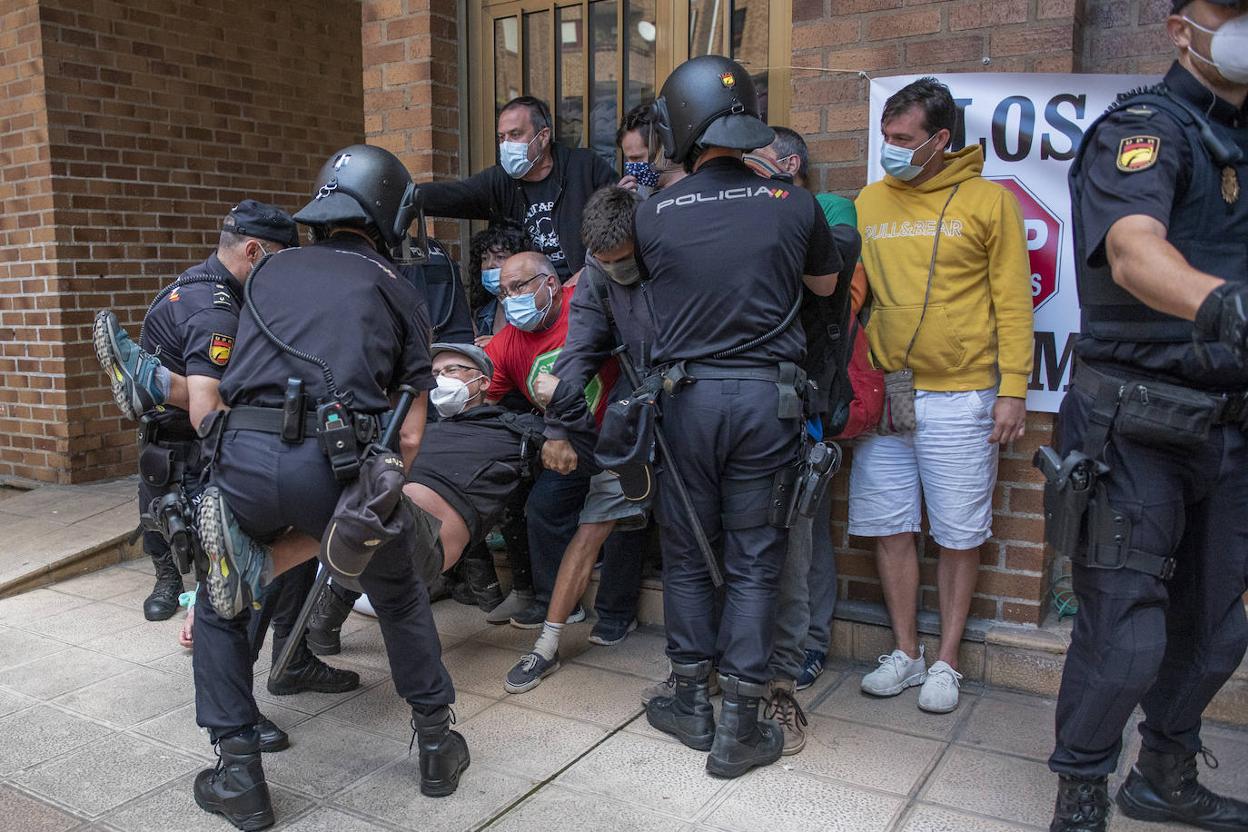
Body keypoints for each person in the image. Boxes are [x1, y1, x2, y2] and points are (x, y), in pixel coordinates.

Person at [188, 145, 468, 829]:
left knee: (225, 599)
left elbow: (231, 378)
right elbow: (407, 437)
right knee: (399, 592)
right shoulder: (399, 285)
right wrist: (375, 503)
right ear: (393, 213)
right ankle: (436, 744)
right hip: (340, 466)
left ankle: (239, 775)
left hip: (245, 454)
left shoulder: (269, 269)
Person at [1046, 3, 1248, 830]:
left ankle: (1163, 773)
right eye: (1228, 10)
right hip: (1132, 426)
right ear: (1179, 29)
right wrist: (1224, 306)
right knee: (1125, 637)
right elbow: (1134, 248)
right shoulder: (1143, 128)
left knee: (1215, 631)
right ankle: (1083, 793)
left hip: (1229, 424)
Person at [637, 55, 848, 780]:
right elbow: (824, 284)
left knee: (692, 553)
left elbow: (643, 289)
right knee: (757, 557)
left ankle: (690, 701)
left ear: (681, 125)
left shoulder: (653, 212)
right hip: (769, 400)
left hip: (686, 401)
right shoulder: (792, 202)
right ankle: (743, 726)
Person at [92, 203, 358, 711]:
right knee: (237, 586)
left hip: (174, 453)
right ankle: (238, 715)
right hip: (196, 454)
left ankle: (293, 662)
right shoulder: (217, 308)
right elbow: (206, 409)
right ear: (255, 251)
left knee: (286, 560)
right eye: (280, 260)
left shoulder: (195, 282)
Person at [850, 77, 1033, 714]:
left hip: (962, 395)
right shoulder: (870, 201)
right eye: (885, 137)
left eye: (902, 140)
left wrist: (1014, 390)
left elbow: (1014, 303)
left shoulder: (989, 202)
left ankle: (947, 661)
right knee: (891, 524)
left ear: (939, 141)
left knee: (958, 533)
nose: (889, 150)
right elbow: (856, 295)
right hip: (892, 392)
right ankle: (906, 652)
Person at [501, 186, 653, 695]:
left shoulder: (673, 253)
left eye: (626, 259)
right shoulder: (594, 278)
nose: (618, 269)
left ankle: (707, 666)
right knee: (592, 527)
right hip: (627, 421)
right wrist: (559, 427)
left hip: (695, 407)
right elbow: (580, 349)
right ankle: (546, 644)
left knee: (700, 534)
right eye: (606, 261)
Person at [743, 126, 860, 754]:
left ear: (788, 163)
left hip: (807, 395)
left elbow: (832, 269)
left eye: (757, 162)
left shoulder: (829, 207)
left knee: (803, 532)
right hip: (754, 399)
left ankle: (810, 646)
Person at [481, 251, 624, 629]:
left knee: (627, 522)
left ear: (550, 284)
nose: (511, 299)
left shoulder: (586, 308)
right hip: (567, 446)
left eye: (519, 287)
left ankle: (617, 615)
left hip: (620, 434)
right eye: (504, 293)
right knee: (543, 508)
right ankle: (557, 602)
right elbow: (484, 401)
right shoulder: (506, 344)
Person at [420, 96, 621, 283]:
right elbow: (454, 195)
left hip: (581, 289)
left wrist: (585, 276)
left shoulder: (583, 167)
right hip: (524, 295)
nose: (507, 144)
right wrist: (407, 196)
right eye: (501, 137)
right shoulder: (500, 181)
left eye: (515, 134)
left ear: (543, 137)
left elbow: (614, 232)